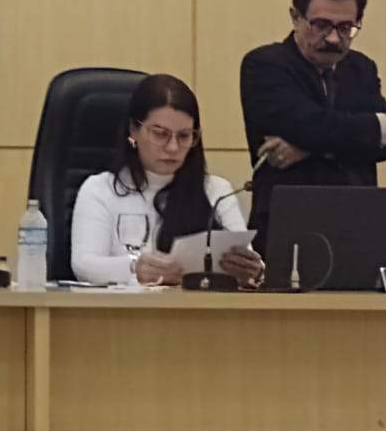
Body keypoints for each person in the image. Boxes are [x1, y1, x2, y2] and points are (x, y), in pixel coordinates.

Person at [240, 0, 386, 243]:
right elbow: (309, 125)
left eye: (345, 28)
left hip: (358, 222)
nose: (333, 39)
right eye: (321, 25)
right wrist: (382, 125)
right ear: (296, 17)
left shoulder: (361, 68)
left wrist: (307, 147)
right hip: (288, 224)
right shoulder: (265, 65)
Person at [71, 74, 264, 287]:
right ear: (133, 130)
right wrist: (134, 267)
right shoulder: (100, 190)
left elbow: (247, 258)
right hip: (123, 307)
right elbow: (84, 265)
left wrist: (251, 271)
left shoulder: (217, 191)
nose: (173, 147)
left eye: (184, 136)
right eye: (160, 134)